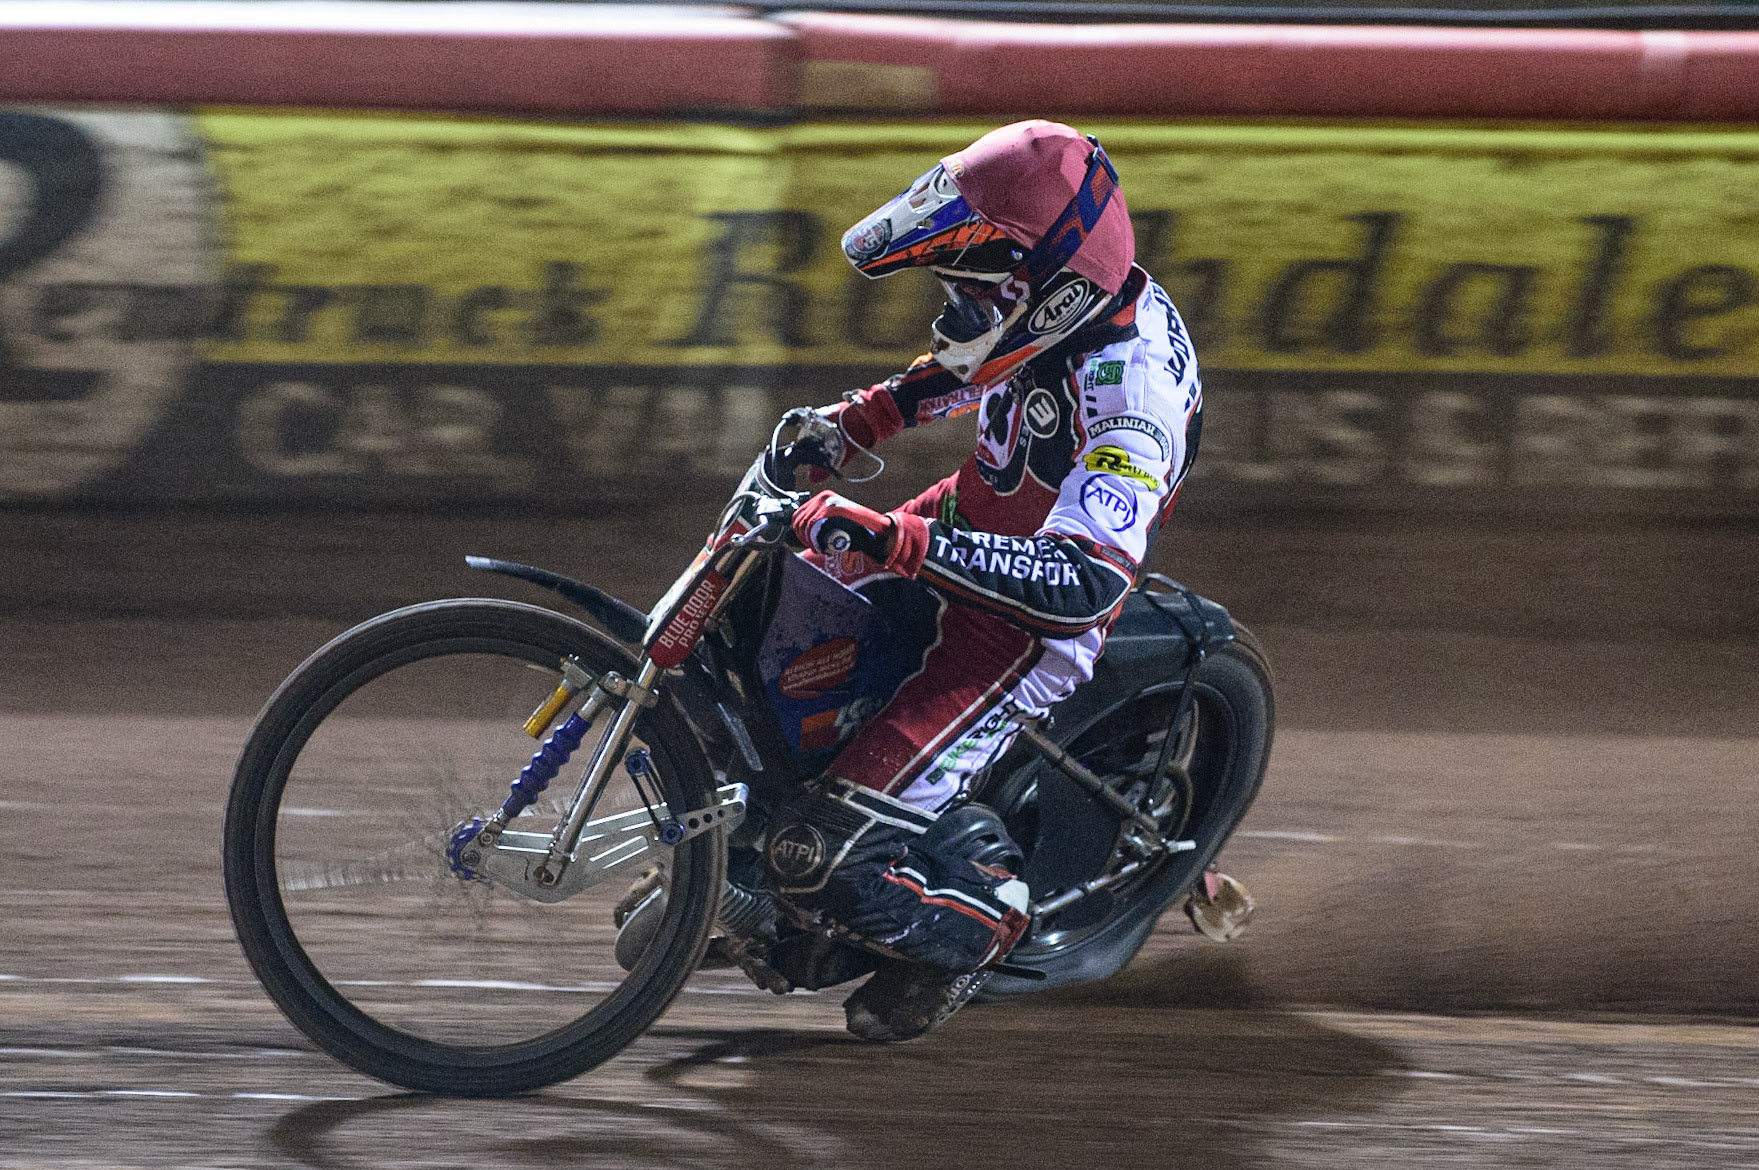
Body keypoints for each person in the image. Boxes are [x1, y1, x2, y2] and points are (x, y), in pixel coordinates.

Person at [760, 120, 1211, 1040]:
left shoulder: (1132, 399)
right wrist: (855, 422)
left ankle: (985, 922)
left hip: (1021, 627)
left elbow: (1083, 584)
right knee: (772, 608)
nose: (958, 306)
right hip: (973, 516)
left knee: (816, 857)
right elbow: (977, 366)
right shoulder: (1071, 302)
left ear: (1050, 289)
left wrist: (899, 543)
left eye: (972, 288)